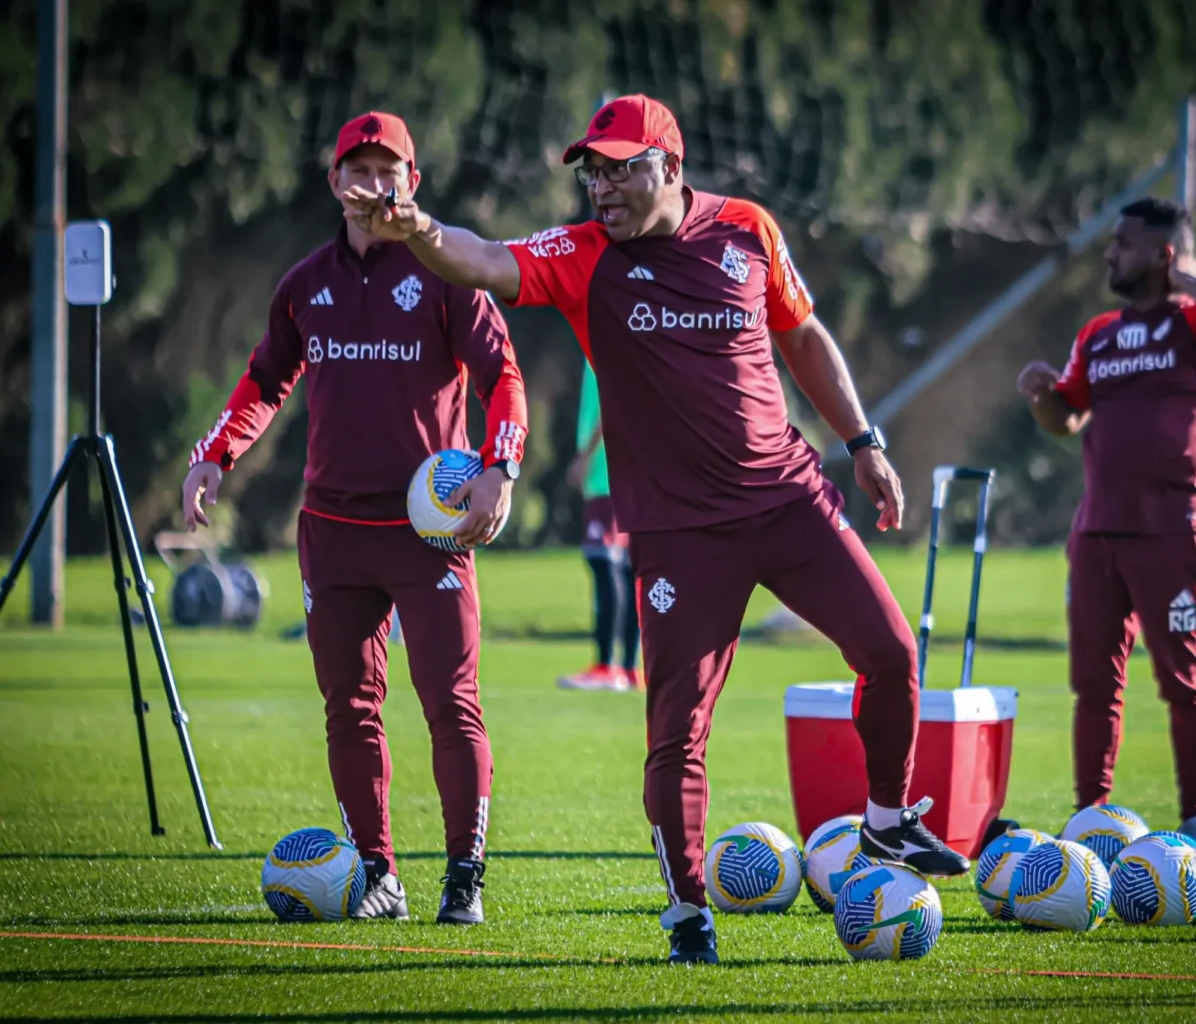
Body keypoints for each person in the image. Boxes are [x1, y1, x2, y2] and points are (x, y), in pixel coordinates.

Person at [338, 93, 969, 964]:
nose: (602, 187)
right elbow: (481, 261)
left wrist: (864, 444)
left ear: (669, 167)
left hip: (788, 498)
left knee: (893, 654)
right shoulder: (582, 254)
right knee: (677, 733)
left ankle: (888, 822)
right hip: (678, 533)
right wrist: (415, 227)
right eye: (592, 170)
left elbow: (805, 333)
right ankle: (687, 914)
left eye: (620, 168)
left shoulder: (748, 228)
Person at [181, 112, 528, 926]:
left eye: (389, 171)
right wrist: (214, 454)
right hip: (332, 533)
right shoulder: (304, 284)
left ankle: (463, 877)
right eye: (358, 170)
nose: (373, 185)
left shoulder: (446, 275)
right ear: (334, 181)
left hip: (429, 532)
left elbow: (503, 377)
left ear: (414, 184)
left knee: (453, 703)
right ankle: (379, 874)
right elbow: (265, 379)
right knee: (350, 707)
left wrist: (499, 467)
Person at [1017, 197, 1196, 848]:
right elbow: (1067, 417)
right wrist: (1044, 397)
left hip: (1174, 529)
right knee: (1094, 684)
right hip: (1098, 532)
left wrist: (1179, 278)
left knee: (1184, 680)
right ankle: (1090, 821)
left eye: (1123, 244)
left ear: (1162, 254)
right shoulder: (1098, 334)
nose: (1109, 253)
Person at [557, 360, 642, 691]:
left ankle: (607, 666)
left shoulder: (603, 346)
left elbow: (613, 402)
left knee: (603, 563)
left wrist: (584, 456)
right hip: (627, 476)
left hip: (606, 476)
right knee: (626, 570)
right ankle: (629, 668)